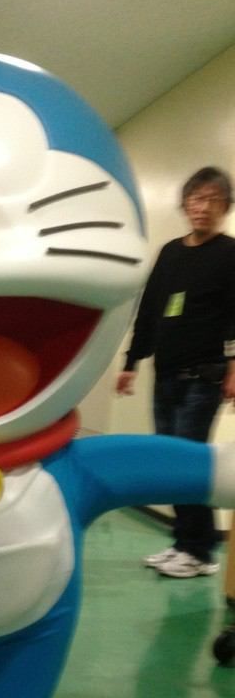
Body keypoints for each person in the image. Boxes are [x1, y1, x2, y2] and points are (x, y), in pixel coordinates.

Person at [116, 165, 235, 578]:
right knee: (171, 464)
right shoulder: (170, 253)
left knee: (189, 464)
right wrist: (131, 362)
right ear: (185, 204)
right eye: (196, 198)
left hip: (205, 377)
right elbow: (149, 309)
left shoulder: (230, 253)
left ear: (225, 207)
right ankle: (185, 544)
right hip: (165, 375)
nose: (203, 207)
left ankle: (200, 552)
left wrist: (233, 368)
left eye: (213, 200)